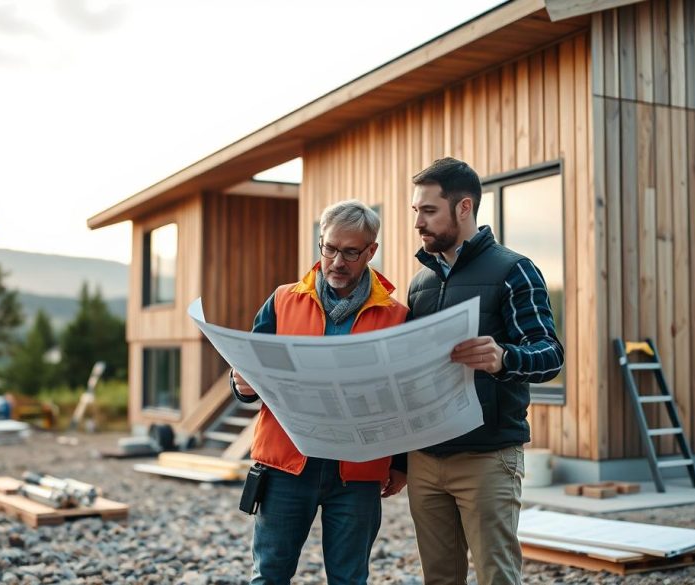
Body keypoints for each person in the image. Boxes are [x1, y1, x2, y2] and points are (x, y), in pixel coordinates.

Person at [230, 199, 409, 585]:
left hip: (357, 473)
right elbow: (250, 372)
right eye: (329, 248)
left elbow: (405, 396)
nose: (337, 262)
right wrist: (240, 385)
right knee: (270, 575)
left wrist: (401, 464)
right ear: (320, 243)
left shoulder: (397, 316)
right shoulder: (281, 301)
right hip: (286, 468)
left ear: (371, 251)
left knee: (349, 579)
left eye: (350, 252)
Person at [405, 157, 564, 585]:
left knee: (497, 576)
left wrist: (504, 358)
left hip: (487, 457)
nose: (418, 222)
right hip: (425, 458)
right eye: (415, 211)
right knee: (439, 578)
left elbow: (550, 354)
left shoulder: (514, 270)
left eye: (428, 210)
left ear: (464, 207)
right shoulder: (420, 282)